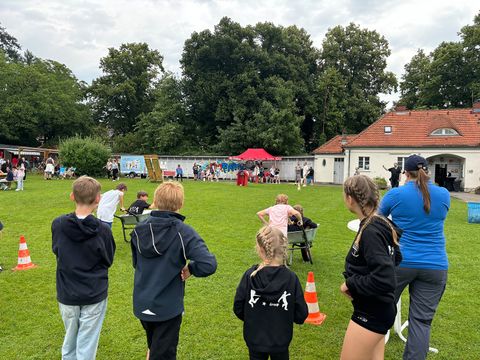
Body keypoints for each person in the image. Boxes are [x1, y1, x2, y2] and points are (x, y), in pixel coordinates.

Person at [131, 181, 217, 360]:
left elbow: (136, 264)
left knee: (154, 347)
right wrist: (191, 268)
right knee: (163, 354)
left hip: (142, 302)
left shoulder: (139, 229)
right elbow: (209, 263)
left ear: (155, 200)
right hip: (166, 308)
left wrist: (191, 268)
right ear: (180, 204)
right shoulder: (181, 231)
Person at [378, 155, 450, 360]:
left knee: (378, 311)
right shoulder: (443, 194)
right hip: (435, 266)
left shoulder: (396, 194)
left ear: (405, 173)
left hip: (402, 262)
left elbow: (378, 221)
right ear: (427, 171)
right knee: (421, 322)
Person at [52, 176, 116, 360]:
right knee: (83, 342)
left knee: (74, 339)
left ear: (72, 196)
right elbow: (108, 258)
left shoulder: (102, 229)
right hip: (84, 291)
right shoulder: (60, 224)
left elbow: (107, 258)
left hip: (77, 292)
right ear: (98, 198)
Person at [340, 175, 402, 360]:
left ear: (350, 199)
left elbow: (385, 279)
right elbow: (396, 257)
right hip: (378, 308)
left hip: (372, 312)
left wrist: (351, 284)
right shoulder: (379, 223)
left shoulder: (372, 231)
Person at [234, 226, 308, 360]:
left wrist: (255, 318)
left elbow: (238, 307)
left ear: (261, 250)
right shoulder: (290, 278)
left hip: (255, 339)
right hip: (280, 341)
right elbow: (301, 314)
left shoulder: (250, 275)